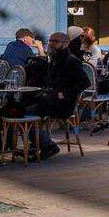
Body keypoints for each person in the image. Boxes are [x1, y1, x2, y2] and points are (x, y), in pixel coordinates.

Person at [22, 31, 91, 159]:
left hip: (63, 104)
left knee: (26, 115)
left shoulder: (71, 61)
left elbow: (85, 82)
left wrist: (64, 94)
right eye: (50, 41)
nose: (51, 44)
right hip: (50, 99)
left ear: (65, 44)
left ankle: (48, 146)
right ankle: (37, 143)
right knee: (22, 107)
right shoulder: (55, 59)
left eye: (55, 41)